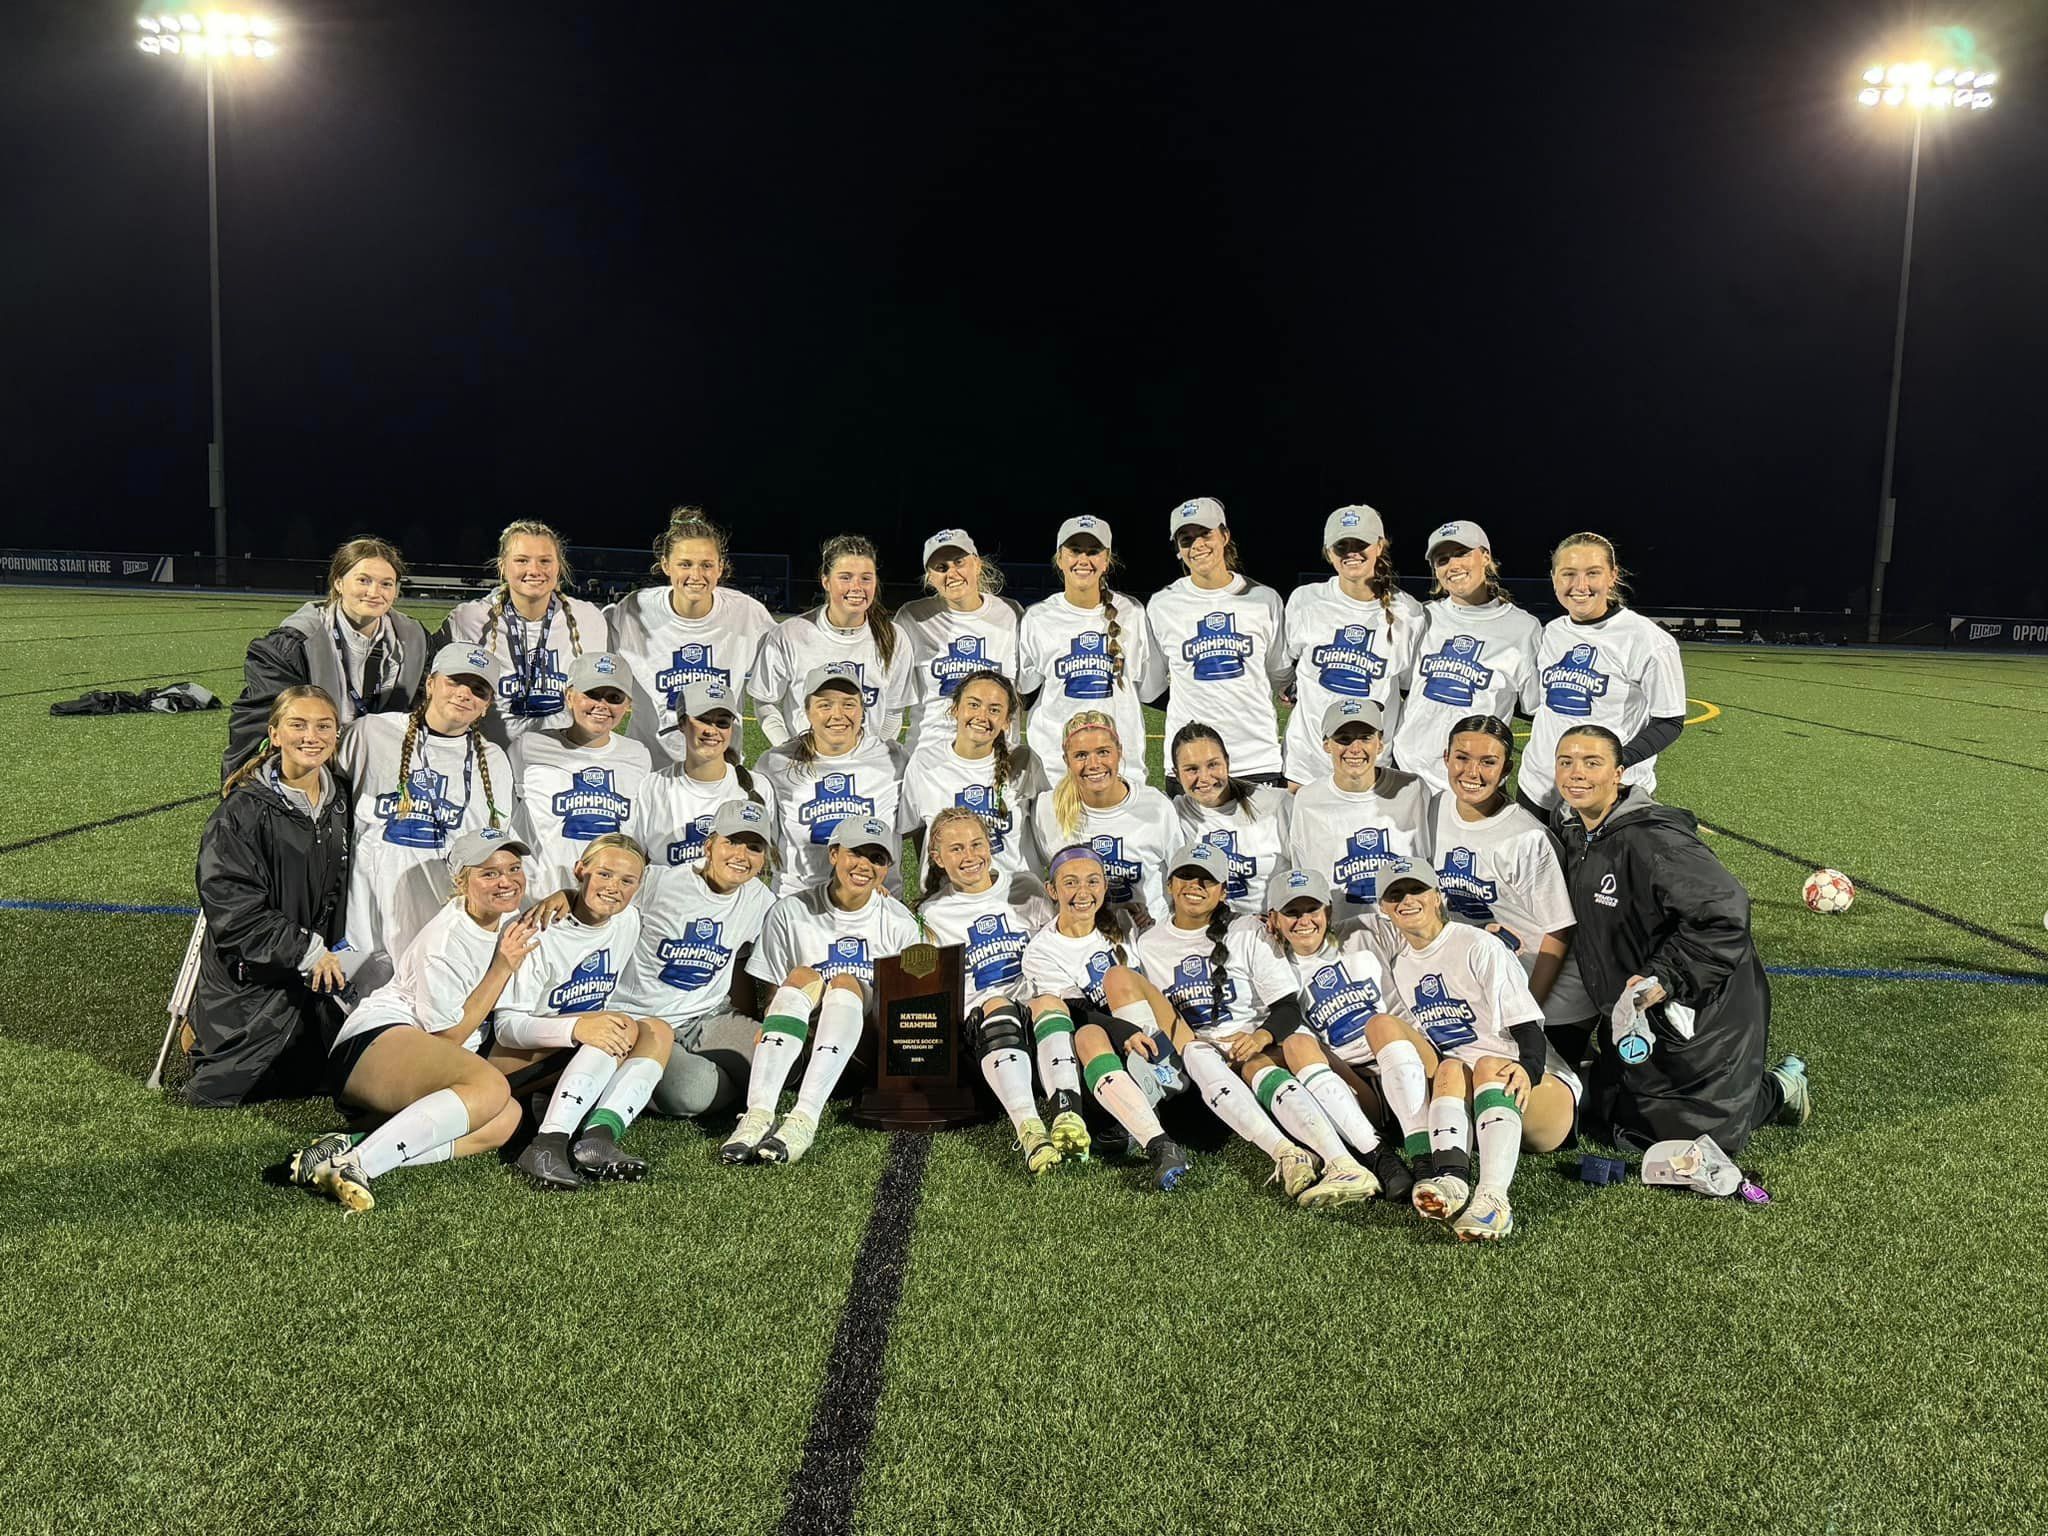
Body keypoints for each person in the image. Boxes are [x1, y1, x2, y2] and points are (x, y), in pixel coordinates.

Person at [1550, 724, 1810, 1154]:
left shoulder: (1656, 839)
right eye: (1566, 762)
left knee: (1690, 1142)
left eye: (1591, 763)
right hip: (1638, 1006)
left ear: (1618, 773)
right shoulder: (1576, 832)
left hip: (1699, 1002)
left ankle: (1782, 1087)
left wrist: (1665, 976)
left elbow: (1724, 913)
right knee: (1609, 1116)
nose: (1576, 773)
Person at [287, 827, 539, 1213]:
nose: (506, 881)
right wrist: (501, 968)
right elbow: (448, 1037)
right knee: (491, 1089)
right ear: (462, 880)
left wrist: (565, 897)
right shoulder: (446, 939)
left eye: (514, 868)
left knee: (506, 1119)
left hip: (425, 1062)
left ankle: (349, 1147)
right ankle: (360, 1165)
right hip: (373, 1045)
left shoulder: (511, 919)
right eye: (489, 873)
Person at [1135, 842, 1379, 1207]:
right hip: (1200, 1066)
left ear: (1223, 891)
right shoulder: (1150, 943)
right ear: (1169, 884)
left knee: (1249, 1061)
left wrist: (1260, 1036)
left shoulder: (1248, 929)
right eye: (1186, 876)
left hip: (1256, 1050)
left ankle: (1340, 1162)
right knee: (1198, 1052)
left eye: (1207, 880)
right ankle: (1292, 1153)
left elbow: (1287, 1008)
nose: (1195, 886)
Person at [1375, 858, 1583, 1242]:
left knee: (1488, 1063)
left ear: (1437, 897)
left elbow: (1527, 1024)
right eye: (1394, 895)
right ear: (1384, 910)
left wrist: (1530, 1069)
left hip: (1535, 1088)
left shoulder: (1478, 945)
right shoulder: (1402, 965)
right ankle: (1451, 1180)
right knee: (1450, 1068)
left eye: (1417, 890)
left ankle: (1493, 1201)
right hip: (1474, 1100)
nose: (1407, 900)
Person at [188, 685, 362, 1107]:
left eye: (324, 726)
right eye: (297, 725)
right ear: (275, 733)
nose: (311, 736)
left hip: (321, 975)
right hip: (258, 977)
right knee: (234, 1085)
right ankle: (197, 1031)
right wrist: (306, 951)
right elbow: (233, 909)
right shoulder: (241, 812)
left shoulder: (343, 798)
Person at [727, 816, 922, 1166]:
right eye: (856, 853)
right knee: (802, 974)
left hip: (862, 1054)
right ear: (834, 854)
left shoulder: (899, 922)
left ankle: (804, 1119)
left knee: (845, 982)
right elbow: (773, 997)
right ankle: (757, 1115)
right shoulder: (789, 911)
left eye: (877, 858)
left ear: (888, 868)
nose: (865, 865)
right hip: (796, 1052)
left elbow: (905, 1012)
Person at [492, 833, 675, 1189]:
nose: (614, 887)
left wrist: (585, 1029)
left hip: (579, 1048)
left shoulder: (628, 921)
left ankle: (599, 1137)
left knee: (658, 1031)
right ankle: (547, 1146)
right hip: (513, 1057)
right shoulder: (539, 930)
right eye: (604, 874)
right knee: (612, 1026)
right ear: (580, 870)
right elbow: (506, 1027)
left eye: (627, 880)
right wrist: (576, 1029)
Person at [1428, 714, 1598, 1063]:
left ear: (1506, 769)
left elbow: (1559, 932)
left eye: (1488, 762)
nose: (1472, 772)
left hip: (1548, 997)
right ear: (1446, 757)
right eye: (1462, 757)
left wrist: (1527, 1013)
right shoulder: (1433, 809)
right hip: (1492, 985)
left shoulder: (1526, 837)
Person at [1019, 844, 1191, 1189]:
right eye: (1070, 883)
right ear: (1051, 890)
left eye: (1092, 882)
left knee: (1119, 982)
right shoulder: (1041, 950)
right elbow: (1075, 1015)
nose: (1083, 892)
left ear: (1104, 886)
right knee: (1086, 1034)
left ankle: (1172, 1074)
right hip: (1107, 1047)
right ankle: (1159, 1143)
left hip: (1151, 1038)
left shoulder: (1126, 922)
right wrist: (1124, 1030)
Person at [335, 643, 515, 962]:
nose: (464, 693)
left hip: (444, 935)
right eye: (454, 681)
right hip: (369, 930)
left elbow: (491, 851)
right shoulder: (371, 733)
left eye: (478, 689)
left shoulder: (494, 760)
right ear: (430, 684)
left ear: (487, 704)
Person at [914, 807, 1063, 1175]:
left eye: (977, 844)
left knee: (1049, 1002)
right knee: (996, 1002)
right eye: (957, 849)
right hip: (981, 1035)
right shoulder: (931, 914)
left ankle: (1066, 1116)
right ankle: (1029, 1130)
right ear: (936, 858)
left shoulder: (1024, 886)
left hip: (1037, 1018)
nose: (970, 857)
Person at [613, 800, 778, 1127]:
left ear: (763, 858)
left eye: (754, 847)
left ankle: (661, 1077)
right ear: (708, 845)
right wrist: (562, 898)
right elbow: (599, 896)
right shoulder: (657, 881)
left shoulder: (759, 899)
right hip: (642, 1019)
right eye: (731, 841)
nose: (741, 855)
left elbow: (787, 943)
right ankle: (643, 1073)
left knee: (777, 1059)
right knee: (693, 1092)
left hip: (707, 1016)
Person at [1260, 867, 1415, 1203]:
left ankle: (1428, 1157)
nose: (1304, 921)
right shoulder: (1275, 971)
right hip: (1356, 1087)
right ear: (1274, 919)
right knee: (1298, 1044)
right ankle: (1379, 1157)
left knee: (1381, 1024)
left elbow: (1427, 938)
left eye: (1312, 910)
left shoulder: (1365, 933)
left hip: (1408, 1060)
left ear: (1328, 910)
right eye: (1291, 912)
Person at [222, 536, 428, 782]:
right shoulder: (292, 644)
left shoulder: (416, 641)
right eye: (363, 580)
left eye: (386, 584)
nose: (375, 592)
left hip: (382, 762)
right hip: (313, 760)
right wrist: (246, 783)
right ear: (339, 582)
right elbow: (257, 722)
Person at [1521, 533, 1687, 814]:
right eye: (1568, 574)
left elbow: (1670, 721)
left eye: (1593, 573)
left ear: (1612, 576)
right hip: (1538, 785)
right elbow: (1546, 705)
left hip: (1607, 793)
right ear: (1554, 578)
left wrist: (1616, 762)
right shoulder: (1552, 631)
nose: (1579, 585)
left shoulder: (1646, 639)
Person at [606, 508, 777, 768]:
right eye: (685, 564)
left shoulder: (747, 614)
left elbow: (787, 669)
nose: (696, 575)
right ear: (666, 565)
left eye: (707, 565)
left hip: (721, 771)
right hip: (650, 770)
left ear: (720, 567)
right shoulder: (634, 611)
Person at [1386, 520, 1543, 794]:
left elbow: (1535, 705)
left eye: (1461, 553)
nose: (1453, 565)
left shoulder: (1523, 628)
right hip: (1408, 775)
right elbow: (1404, 683)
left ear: (1485, 556)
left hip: (1476, 783)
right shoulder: (1424, 618)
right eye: (1442, 559)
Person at [1146, 498, 1292, 784]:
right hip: (1189, 761)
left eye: (1205, 534)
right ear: (1178, 549)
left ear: (1225, 536)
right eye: (1186, 539)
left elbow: (1280, 674)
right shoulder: (1162, 605)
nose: (1197, 545)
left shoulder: (1264, 599)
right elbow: (1151, 686)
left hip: (1255, 757)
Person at [1283, 504, 1426, 789]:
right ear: (1328, 551)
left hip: (1371, 765)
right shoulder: (1305, 601)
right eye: (1341, 545)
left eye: (1360, 543)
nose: (1351, 552)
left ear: (1379, 545)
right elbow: (1285, 667)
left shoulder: (1408, 612)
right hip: (1307, 762)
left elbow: (1408, 685)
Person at [1016, 516, 1165, 786]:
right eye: (1074, 550)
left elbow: (1149, 690)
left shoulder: (1132, 613)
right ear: (1059, 558)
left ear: (1106, 560)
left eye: (1093, 551)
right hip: (1055, 770)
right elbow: (1025, 689)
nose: (1083, 559)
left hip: (1121, 769)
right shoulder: (1037, 618)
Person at [433, 519, 608, 748]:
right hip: (491, 762)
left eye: (545, 561)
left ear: (559, 567)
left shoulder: (588, 619)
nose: (534, 570)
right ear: (503, 566)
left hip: (563, 762)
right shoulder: (468, 620)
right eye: (521, 560)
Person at [753, 665, 911, 896]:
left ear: (862, 710)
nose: (838, 715)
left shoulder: (894, 759)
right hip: (799, 905)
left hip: (878, 905)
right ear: (807, 711)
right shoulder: (775, 763)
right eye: (825, 705)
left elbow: (915, 825)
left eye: (848, 704)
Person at [508, 652, 655, 893]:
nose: (602, 705)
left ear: (628, 704)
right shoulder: (528, 747)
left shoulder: (638, 755)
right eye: (592, 694)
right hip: (540, 898)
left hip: (605, 902)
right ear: (569, 696)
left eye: (614, 697)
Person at [750, 533, 914, 745]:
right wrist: (789, 750)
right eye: (845, 577)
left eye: (866, 578)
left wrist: (875, 756)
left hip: (865, 769)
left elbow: (893, 711)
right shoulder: (790, 634)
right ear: (826, 581)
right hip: (807, 765)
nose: (857, 587)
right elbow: (765, 701)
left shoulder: (894, 638)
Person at [1028, 712, 1178, 925]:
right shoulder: (1047, 808)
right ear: (1066, 760)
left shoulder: (1157, 806)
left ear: (1119, 752)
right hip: (1081, 941)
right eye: (1081, 755)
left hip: (1147, 940)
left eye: (1103, 752)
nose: (1093, 763)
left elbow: (1179, 877)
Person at [1287, 698, 1429, 918]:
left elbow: (1430, 861)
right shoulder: (1307, 800)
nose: (1355, 749)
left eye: (1365, 738)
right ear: (1326, 744)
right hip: (1344, 933)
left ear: (1380, 743)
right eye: (1344, 739)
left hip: (1404, 932)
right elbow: (1305, 873)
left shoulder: (1412, 790)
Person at [903, 670, 1047, 881]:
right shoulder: (925, 762)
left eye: (994, 709)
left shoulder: (1024, 762)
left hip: (1015, 897)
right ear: (955, 709)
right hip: (953, 897)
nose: (982, 716)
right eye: (973, 704)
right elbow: (914, 829)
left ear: (1007, 721)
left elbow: (1046, 830)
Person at [894, 529, 1025, 759]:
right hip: (930, 759)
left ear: (977, 564)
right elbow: (890, 693)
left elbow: (1028, 685)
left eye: (959, 562)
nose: (952, 573)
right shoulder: (912, 618)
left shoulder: (1011, 614)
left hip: (997, 759)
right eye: (941, 568)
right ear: (930, 577)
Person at [638, 678, 773, 870]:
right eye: (702, 719)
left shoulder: (758, 787)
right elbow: (634, 858)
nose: (712, 730)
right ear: (682, 723)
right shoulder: (653, 786)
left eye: (722, 723)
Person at [1170, 723, 1292, 918]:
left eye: (1213, 764)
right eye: (1192, 769)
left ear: (1227, 762)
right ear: (1176, 774)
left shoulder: (1276, 804)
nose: (1204, 778)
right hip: (1207, 932)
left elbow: (1305, 872)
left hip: (1268, 928)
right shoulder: (1172, 815)